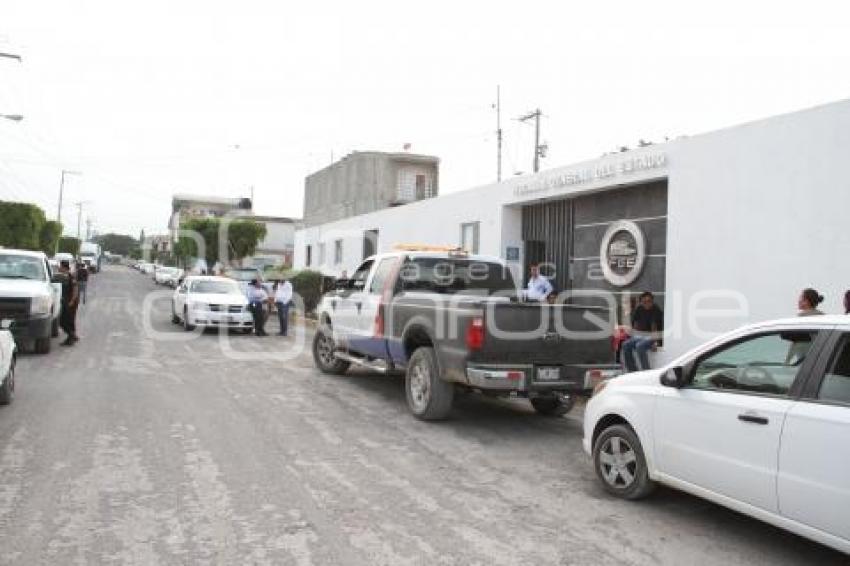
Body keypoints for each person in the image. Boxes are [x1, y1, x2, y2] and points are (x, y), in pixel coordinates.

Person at [621, 291, 664, 372]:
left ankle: (646, 372)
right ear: (641, 302)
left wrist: (655, 342)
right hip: (641, 336)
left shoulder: (656, 310)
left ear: (652, 301)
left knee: (640, 346)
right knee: (625, 344)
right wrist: (633, 337)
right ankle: (632, 371)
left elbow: (654, 327)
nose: (647, 304)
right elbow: (636, 324)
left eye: (649, 301)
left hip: (653, 336)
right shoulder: (639, 309)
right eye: (644, 302)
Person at [57, 260, 80, 346]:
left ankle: (72, 336)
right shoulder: (64, 276)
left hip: (71, 302)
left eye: (60, 266)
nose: (59, 268)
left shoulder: (71, 276)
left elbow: (75, 290)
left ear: (64, 267)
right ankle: (71, 336)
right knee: (67, 320)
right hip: (67, 301)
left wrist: (72, 301)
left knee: (65, 320)